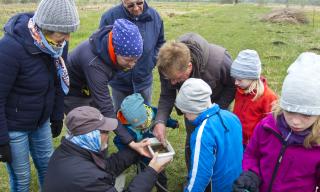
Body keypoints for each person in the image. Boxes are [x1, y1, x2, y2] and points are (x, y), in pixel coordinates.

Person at [0, 0, 79, 191]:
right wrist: (2, 140)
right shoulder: (10, 49)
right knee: (22, 178)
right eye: (63, 33)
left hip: (40, 121)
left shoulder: (57, 47)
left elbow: (57, 83)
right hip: (14, 127)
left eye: (70, 32)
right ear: (46, 28)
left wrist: (57, 115)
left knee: (49, 169)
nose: (67, 38)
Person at [233, 52, 320, 192]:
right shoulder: (267, 126)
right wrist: (252, 174)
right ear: (282, 105)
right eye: (290, 111)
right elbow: (252, 154)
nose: (296, 121)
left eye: (307, 115)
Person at [154, 32, 236, 172]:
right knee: (194, 141)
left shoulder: (220, 61)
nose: (173, 83)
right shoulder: (166, 67)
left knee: (217, 142)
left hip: (217, 106)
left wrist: (217, 109)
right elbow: (167, 95)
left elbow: (233, 85)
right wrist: (160, 121)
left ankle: (215, 178)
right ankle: (194, 176)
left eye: (177, 78)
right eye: (170, 79)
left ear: (189, 67)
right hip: (191, 109)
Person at [64, 18, 147, 155]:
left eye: (135, 60)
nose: (132, 65)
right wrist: (131, 143)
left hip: (89, 88)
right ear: (114, 50)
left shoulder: (112, 45)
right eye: (128, 60)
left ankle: (102, 161)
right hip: (73, 94)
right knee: (87, 130)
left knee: (103, 126)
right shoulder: (95, 64)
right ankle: (86, 165)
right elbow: (107, 109)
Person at [43, 106, 171, 192]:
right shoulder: (88, 179)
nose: (108, 134)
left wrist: (136, 150)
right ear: (91, 136)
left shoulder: (70, 150)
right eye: (104, 131)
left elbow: (105, 167)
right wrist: (152, 171)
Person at [175, 78, 243, 192]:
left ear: (193, 108)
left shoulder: (202, 133)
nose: (185, 116)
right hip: (237, 184)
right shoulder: (232, 117)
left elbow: (200, 175)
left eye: (185, 111)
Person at [99, 0, 165, 110]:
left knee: (145, 117)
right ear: (122, 2)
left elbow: (160, 42)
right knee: (121, 117)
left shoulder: (154, 16)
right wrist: (116, 70)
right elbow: (103, 47)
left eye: (139, 3)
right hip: (120, 83)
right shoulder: (109, 17)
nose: (136, 8)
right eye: (130, 5)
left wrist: (151, 61)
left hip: (144, 80)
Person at [114, 93, 179, 192]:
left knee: (161, 175)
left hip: (156, 149)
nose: (143, 126)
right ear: (128, 121)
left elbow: (161, 120)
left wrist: (172, 123)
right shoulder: (125, 128)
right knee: (143, 177)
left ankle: (162, 188)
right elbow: (118, 141)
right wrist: (132, 155)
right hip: (141, 155)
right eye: (139, 126)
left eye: (144, 123)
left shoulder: (152, 112)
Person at [231, 49, 277, 147]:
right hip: (237, 139)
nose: (235, 82)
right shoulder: (240, 90)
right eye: (235, 78)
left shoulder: (268, 97)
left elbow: (272, 125)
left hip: (254, 144)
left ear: (252, 77)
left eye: (239, 79)